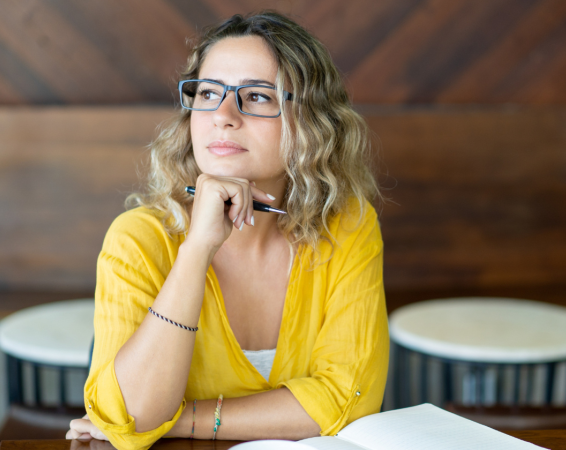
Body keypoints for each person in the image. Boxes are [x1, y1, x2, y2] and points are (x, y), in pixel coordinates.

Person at [66, 10, 388, 450]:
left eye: (256, 96)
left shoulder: (347, 226)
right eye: (208, 93)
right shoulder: (137, 240)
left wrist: (178, 420)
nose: (222, 115)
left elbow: (349, 401)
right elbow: (133, 414)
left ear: (311, 119)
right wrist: (197, 249)